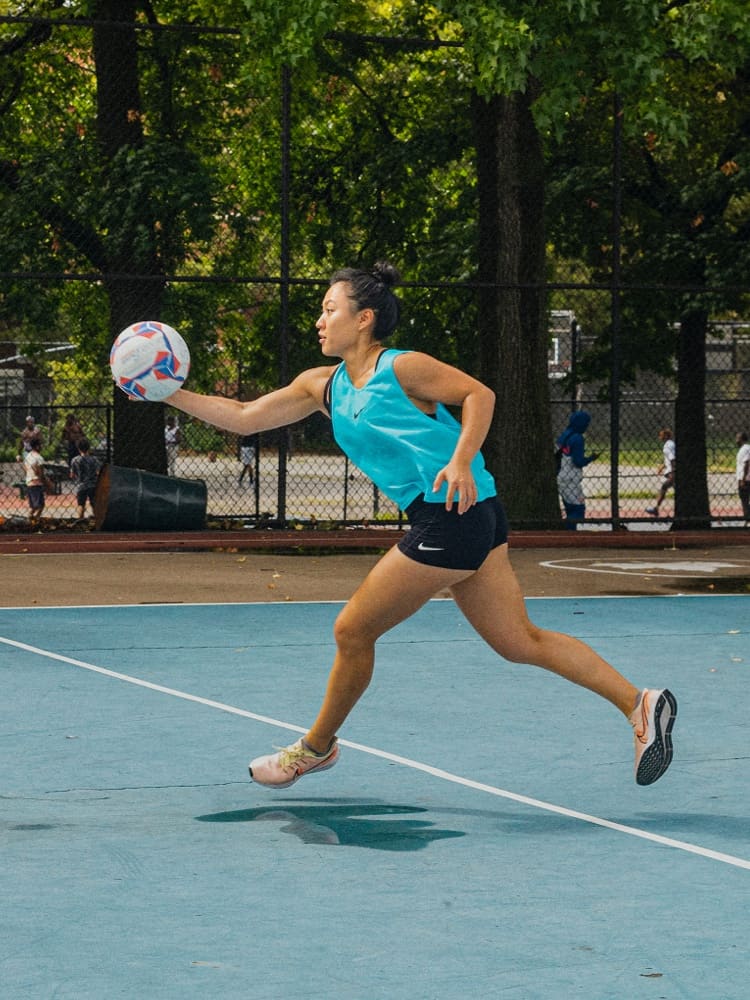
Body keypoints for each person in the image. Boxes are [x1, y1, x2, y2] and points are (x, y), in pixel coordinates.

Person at [167, 261, 677, 789]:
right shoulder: (323, 386)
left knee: (352, 629)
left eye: (329, 309)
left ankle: (315, 749)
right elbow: (245, 415)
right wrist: (169, 393)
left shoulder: (401, 368)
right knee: (519, 641)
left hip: (452, 514)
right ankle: (639, 705)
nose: (319, 320)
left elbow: (480, 394)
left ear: (363, 319)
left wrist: (460, 459)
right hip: (468, 515)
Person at [555, 410, 599, 530]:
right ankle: (570, 532)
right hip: (571, 478)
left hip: (560, 474)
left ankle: (569, 529)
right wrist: (590, 458)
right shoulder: (578, 438)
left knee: (569, 506)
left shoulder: (565, 435)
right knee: (578, 508)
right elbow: (577, 461)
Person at [70, 437, 101, 521]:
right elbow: (98, 473)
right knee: (93, 503)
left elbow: (72, 475)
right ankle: (97, 520)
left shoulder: (74, 460)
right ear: (88, 448)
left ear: (78, 448)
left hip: (81, 485)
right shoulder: (94, 459)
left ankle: (80, 520)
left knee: (81, 504)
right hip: (92, 484)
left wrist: (78, 476)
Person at [646, 428, 676, 517]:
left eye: (661, 435)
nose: (659, 437)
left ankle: (656, 508)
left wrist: (673, 471)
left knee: (664, 487)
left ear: (666, 436)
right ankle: (656, 508)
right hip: (671, 470)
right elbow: (669, 458)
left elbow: (672, 458)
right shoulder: (670, 444)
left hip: (672, 471)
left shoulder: (668, 445)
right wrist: (662, 467)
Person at [22, 436, 47, 525]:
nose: (41, 447)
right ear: (37, 446)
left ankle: (30, 518)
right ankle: (34, 520)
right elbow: (41, 474)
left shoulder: (28, 456)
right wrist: (47, 484)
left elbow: (24, 467)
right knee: (40, 506)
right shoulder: (39, 458)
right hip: (37, 483)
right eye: (40, 445)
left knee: (33, 506)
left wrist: (30, 472)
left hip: (29, 482)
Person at [736, 431, 750, 526]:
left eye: (737, 438)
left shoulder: (744, 449)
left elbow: (746, 463)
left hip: (745, 479)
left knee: (744, 499)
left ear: (741, 439)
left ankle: (747, 519)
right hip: (746, 478)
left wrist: (743, 479)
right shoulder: (746, 448)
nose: (736, 440)